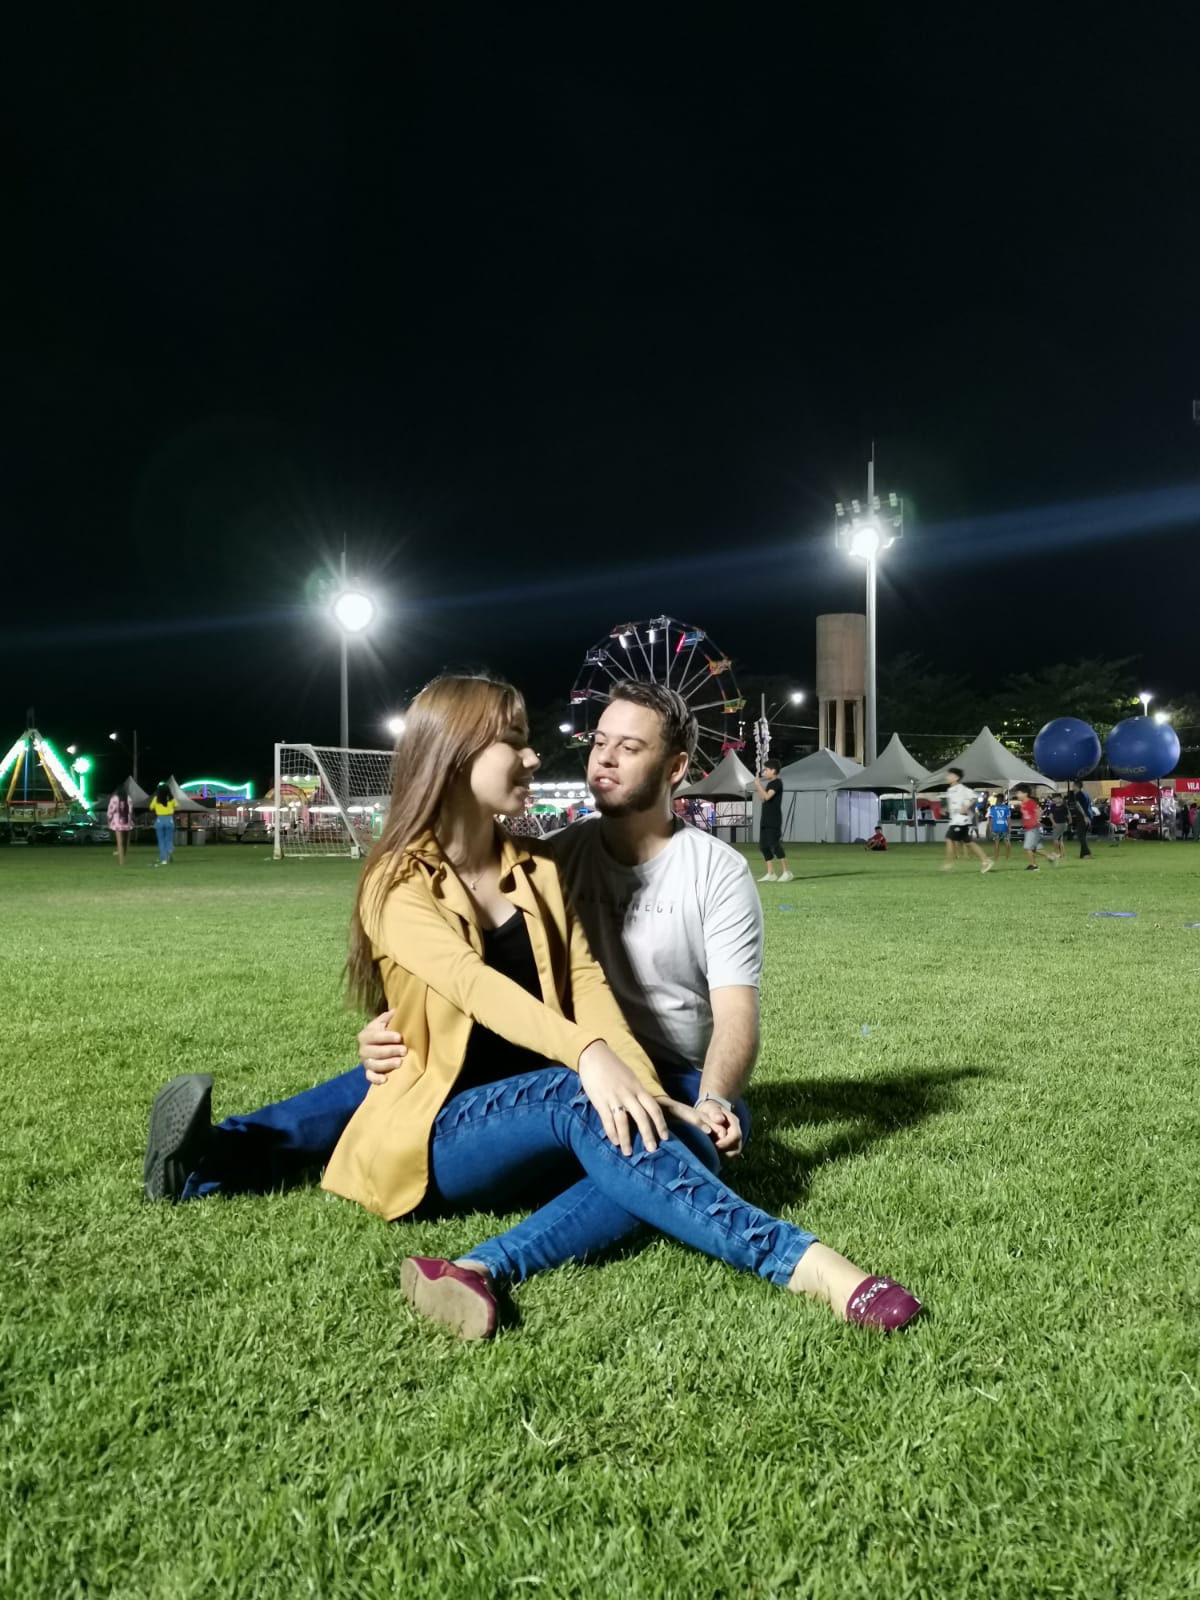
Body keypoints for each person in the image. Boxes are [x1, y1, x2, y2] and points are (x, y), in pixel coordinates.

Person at [143, 675, 920, 1337]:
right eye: (514, 742)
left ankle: (479, 1268)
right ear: (455, 758)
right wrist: (588, 1058)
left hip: (536, 1078)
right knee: (566, 1092)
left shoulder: (545, 867)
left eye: (626, 746)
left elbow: (588, 987)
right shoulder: (406, 877)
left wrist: (649, 1087)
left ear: (676, 767)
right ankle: (806, 1264)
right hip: (451, 1107)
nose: (540, 755)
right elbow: (470, 984)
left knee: (676, 1124)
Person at [922, 770, 992, 873]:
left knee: (949, 838)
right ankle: (985, 860)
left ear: (956, 777)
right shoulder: (950, 790)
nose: (947, 777)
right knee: (969, 842)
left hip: (960, 819)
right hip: (955, 819)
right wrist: (945, 809)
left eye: (950, 775)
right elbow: (953, 805)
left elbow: (974, 797)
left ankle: (949, 863)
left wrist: (965, 807)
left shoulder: (962, 788)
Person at [752, 760, 792, 883]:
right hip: (765, 818)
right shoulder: (770, 784)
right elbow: (762, 797)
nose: (764, 772)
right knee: (763, 846)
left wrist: (759, 785)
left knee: (774, 844)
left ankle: (787, 872)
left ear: (773, 770)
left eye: (766, 770)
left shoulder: (777, 783)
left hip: (773, 819)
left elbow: (767, 796)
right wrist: (758, 787)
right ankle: (771, 873)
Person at [1015, 785, 1058, 871]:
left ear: (1025, 794)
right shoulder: (1023, 803)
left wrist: (1037, 820)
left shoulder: (1030, 802)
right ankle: (1051, 857)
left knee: (1028, 847)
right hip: (1029, 829)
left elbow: (1038, 810)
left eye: (1019, 793)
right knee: (1035, 849)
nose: (1017, 795)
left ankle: (1034, 865)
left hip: (1032, 829)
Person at [148, 784, 177, 866]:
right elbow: (177, 806)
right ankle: (170, 850)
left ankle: (163, 859)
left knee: (161, 840)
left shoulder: (156, 799)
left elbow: (151, 807)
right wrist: (171, 810)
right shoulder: (172, 799)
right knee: (169, 839)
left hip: (160, 819)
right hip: (169, 819)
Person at [106, 786, 135, 865]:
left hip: (117, 822)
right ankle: (124, 857)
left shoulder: (114, 799)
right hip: (127, 822)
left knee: (120, 843)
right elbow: (130, 811)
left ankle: (121, 861)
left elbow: (110, 810)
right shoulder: (128, 798)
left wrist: (109, 819)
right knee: (125, 842)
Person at [1069, 781, 1094, 860]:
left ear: (1076, 786)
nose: (1072, 787)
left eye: (1073, 786)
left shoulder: (1078, 794)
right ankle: (1083, 854)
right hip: (1089, 815)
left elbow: (1079, 806)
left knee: (1080, 835)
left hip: (1083, 817)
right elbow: (1089, 804)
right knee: (1082, 835)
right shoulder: (1085, 794)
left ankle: (1087, 853)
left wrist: (1085, 816)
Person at [987, 793, 1011, 862]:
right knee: (1007, 842)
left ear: (997, 799)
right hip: (1004, 827)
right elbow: (1008, 818)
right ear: (1003, 800)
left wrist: (990, 827)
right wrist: (1009, 827)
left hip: (996, 827)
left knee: (996, 842)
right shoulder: (1006, 808)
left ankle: (996, 857)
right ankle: (1007, 857)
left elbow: (991, 819)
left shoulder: (993, 808)